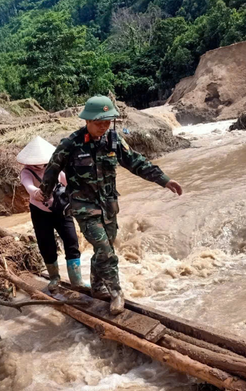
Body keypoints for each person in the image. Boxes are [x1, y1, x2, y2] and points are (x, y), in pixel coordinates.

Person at [40, 95, 183, 314]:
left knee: (103, 248)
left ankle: (97, 286)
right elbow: (52, 169)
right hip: (84, 207)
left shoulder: (114, 141)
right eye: (99, 122)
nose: (104, 126)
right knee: (106, 251)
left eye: (107, 122)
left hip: (108, 206)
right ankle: (117, 292)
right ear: (87, 120)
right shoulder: (70, 144)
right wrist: (45, 193)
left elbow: (136, 162)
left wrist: (163, 180)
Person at [18, 136, 86, 289]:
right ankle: (54, 278)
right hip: (40, 212)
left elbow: (69, 182)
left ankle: (77, 281)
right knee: (46, 245)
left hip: (61, 209)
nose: (39, 164)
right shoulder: (26, 172)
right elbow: (28, 185)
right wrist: (35, 192)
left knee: (71, 241)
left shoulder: (56, 167)